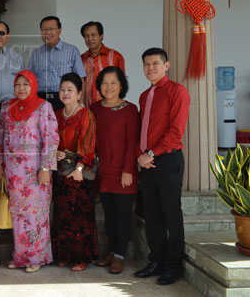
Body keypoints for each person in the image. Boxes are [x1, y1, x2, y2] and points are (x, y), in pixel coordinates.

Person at [134, 48, 190, 286]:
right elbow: (143, 130)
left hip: (167, 159)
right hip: (147, 162)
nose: (150, 68)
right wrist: (141, 156)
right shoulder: (145, 95)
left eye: (155, 63)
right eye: (146, 64)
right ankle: (156, 260)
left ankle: (173, 266)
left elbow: (176, 132)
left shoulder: (178, 91)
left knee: (171, 214)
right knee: (152, 215)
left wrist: (149, 154)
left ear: (166, 65)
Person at [0, 70, 59, 273]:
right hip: (14, 173)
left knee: (36, 216)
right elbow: (0, 137)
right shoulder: (7, 108)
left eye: (26, 84)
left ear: (33, 85)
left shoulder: (43, 107)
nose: (21, 88)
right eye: (18, 84)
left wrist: (46, 168)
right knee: (19, 216)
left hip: (35, 172)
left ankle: (37, 257)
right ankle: (21, 257)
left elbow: (51, 139)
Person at [90, 66, 139, 275]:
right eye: (104, 82)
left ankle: (120, 255)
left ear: (121, 85)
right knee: (109, 215)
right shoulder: (94, 109)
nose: (108, 87)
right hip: (103, 171)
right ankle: (111, 252)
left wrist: (128, 169)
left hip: (123, 172)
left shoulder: (130, 109)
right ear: (99, 85)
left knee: (123, 215)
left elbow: (132, 142)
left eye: (113, 82)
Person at [51, 73, 97, 272]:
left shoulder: (85, 114)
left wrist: (79, 168)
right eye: (63, 90)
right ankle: (63, 254)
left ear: (79, 93)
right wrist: (55, 151)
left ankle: (80, 257)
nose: (65, 93)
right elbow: (50, 138)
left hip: (78, 172)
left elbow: (88, 143)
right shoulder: (57, 114)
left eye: (70, 90)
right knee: (61, 215)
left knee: (79, 215)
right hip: (60, 172)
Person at [28, 16, 86, 111]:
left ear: (59, 31)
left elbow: (81, 79)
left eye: (51, 29)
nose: (47, 33)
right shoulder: (36, 54)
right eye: (44, 29)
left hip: (65, 99)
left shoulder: (72, 50)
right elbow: (30, 81)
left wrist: (81, 104)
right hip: (41, 99)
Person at [80, 21, 125, 108]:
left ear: (101, 36)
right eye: (86, 36)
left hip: (111, 107)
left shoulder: (115, 56)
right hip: (88, 108)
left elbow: (122, 84)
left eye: (93, 35)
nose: (90, 38)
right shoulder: (81, 59)